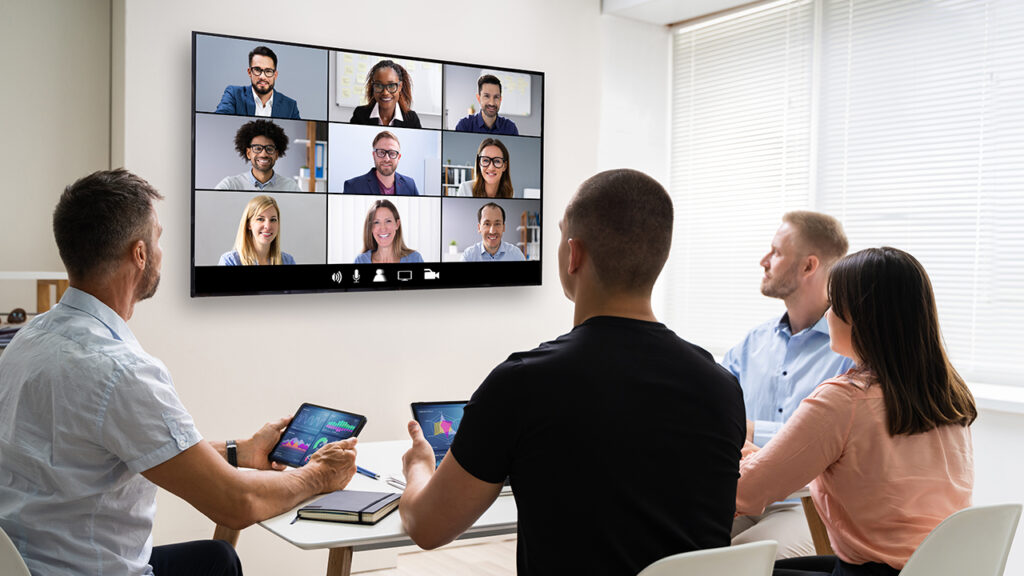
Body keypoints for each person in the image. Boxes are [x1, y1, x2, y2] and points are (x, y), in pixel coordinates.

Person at [0, 169, 357, 576]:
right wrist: (318, 476)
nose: (162, 250)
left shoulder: (29, 338)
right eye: (158, 239)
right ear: (139, 254)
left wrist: (243, 451)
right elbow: (236, 503)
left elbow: (130, 447)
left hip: (28, 564)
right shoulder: (121, 372)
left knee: (217, 559)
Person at [399, 169, 745, 575]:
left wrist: (420, 466)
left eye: (561, 236)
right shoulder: (722, 388)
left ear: (574, 254)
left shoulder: (522, 384)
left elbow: (426, 526)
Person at [736, 247, 976, 576]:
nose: (827, 315)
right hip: (935, 567)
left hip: (874, 571)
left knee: (730, 567)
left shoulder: (844, 400)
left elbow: (748, 492)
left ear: (862, 316)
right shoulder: (949, 395)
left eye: (834, 304)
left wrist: (741, 452)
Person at [723, 211, 853, 558]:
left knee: (739, 558)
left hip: (809, 506)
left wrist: (751, 431)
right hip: (742, 492)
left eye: (776, 252)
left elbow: (841, 446)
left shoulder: (851, 349)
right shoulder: (753, 342)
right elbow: (714, 410)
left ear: (809, 266)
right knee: (676, 544)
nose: (764, 261)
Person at [215, 45, 301, 119]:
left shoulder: (290, 106)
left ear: (275, 75)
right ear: (249, 72)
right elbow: (219, 120)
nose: (262, 77)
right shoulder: (234, 94)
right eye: (257, 69)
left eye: (268, 71)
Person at [215, 119, 300, 192]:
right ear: (248, 153)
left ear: (276, 154)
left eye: (269, 149)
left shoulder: (291, 187)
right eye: (257, 148)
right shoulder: (230, 185)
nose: (264, 154)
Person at [219, 195, 295, 266]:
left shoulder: (288, 261)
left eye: (273, 220)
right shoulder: (230, 261)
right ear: (249, 224)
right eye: (260, 219)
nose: (268, 226)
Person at [343, 131, 420, 196]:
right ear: (374, 155)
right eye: (381, 152)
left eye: (392, 153)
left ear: (398, 157)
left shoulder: (410, 185)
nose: (386, 159)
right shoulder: (353, 186)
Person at [349, 60, 421, 128]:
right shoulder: (360, 115)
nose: (385, 92)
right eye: (379, 85)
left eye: (391, 85)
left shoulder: (411, 119)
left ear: (400, 87)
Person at [354, 199, 423, 264]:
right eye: (376, 222)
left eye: (388, 221)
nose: (383, 228)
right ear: (371, 227)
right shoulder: (361, 261)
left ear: (397, 224)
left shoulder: (415, 259)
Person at [454, 74, 519, 135]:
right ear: (479, 98)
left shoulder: (510, 128)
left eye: (496, 97)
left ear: (500, 99)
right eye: (487, 96)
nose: (492, 103)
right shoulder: (464, 126)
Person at [460, 202, 525, 262]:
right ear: (479, 228)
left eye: (497, 224)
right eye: (487, 224)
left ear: (503, 227)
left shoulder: (516, 255)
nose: (492, 231)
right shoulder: (468, 256)